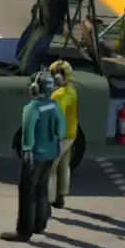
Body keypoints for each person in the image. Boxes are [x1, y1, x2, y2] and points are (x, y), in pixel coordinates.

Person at [2, 71, 65, 243]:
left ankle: (24, 231)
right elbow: (60, 126)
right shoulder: (53, 105)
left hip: (35, 155)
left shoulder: (32, 108)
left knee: (27, 192)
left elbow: (28, 130)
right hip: (50, 153)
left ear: (36, 88)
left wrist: (28, 150)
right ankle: (39, 224)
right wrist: (58, 142)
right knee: (41, 189)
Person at [48, 60, 78, 208]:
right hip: (71, 133)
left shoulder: (58, 95)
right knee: (64, 165)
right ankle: (61, 197)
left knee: (50, 168)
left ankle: (48, 199)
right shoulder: (71, 89)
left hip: (61, 136)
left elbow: (56, 117)